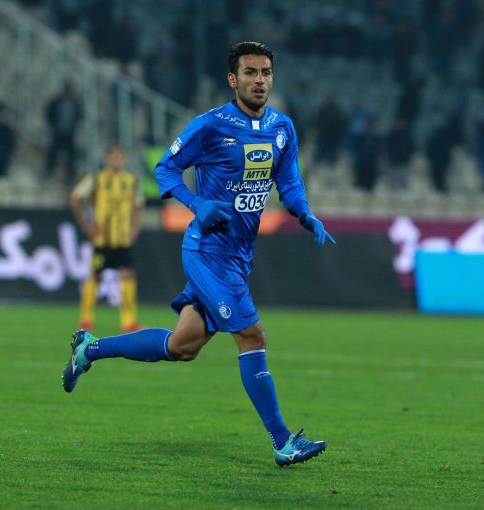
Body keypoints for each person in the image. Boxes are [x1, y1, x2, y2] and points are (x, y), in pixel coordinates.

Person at [62, 42, 335, 467]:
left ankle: (90, 349)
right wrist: (196, 203)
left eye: (265, 72)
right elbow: (165, 168)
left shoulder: (282, 127)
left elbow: (289, 181)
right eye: (250, 72)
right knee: (252, 336)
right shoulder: (211, 126)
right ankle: (283, 441)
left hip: (238, 256)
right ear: (233, 79)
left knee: (181, 346)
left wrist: (305, 213)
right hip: (207, 252)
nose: (259, 80)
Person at [70, 144, 143, 333]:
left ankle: (128, 321)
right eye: (113, 156)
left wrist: (134, 229)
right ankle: (86, 319)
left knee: (128, 275)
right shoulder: (96, 179)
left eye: (120, 156)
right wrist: (87, 224)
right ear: (107, 158)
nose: (116, 160)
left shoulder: (131, 181)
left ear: (124, 159)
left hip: (122, 240)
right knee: (95, 276)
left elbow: (138, 207)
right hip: (102, 239)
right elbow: (76, 197)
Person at [43, 80, 83, 182]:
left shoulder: (75, 103)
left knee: (71, 157)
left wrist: (74, 126)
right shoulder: (57, 102)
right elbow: (49, 113)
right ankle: (48, 173)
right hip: (58, 132)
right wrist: (52, 126)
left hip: (69, 133)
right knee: (53, 154)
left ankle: (69, 176)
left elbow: (79, 116)